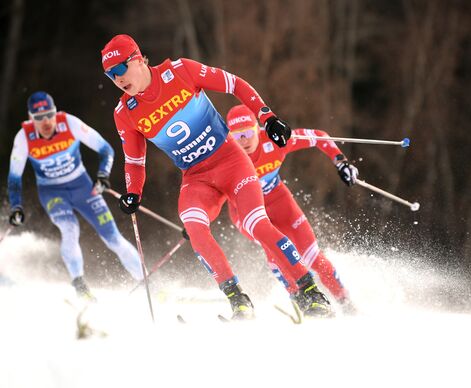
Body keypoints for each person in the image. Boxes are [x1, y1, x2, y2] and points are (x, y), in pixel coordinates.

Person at [101, 34, 332, 319]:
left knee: (257, 224)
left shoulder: (180, 71)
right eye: (110, 75)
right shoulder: (125, 113)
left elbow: (234, 83)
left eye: (120, 70)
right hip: (197, 178)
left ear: (137, 59)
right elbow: (135, 159)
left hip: (231, 162)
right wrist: (133, 192)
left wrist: (267, 117)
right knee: (195, 228)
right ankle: (238, 300)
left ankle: (310, 291)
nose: (117, 79)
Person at [7, 92, 144, 300]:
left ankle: (146, 282)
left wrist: (102, 176)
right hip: (52, 192)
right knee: (69, 229)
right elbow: (14, 177)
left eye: (49, 114)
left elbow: (106, 150)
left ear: (55, 113)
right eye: (38, 117)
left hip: (83, 187)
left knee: (113, 237)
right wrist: (16, 206)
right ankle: (80, 287)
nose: (45, 122)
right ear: (30, 118)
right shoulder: (24, 137)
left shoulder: (69, 123)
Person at [226, 104, 358, 314]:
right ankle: (302, 300)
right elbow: (210, 190)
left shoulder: (275, 141)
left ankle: (347, 304)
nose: (244, 140)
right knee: (276, 250)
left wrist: (340, 161)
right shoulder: (225, 155)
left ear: (258, 128)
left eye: (249, 132)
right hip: (245, 212)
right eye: (237, 135)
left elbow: (319, 136)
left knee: (313, 256)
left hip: (279, 201)